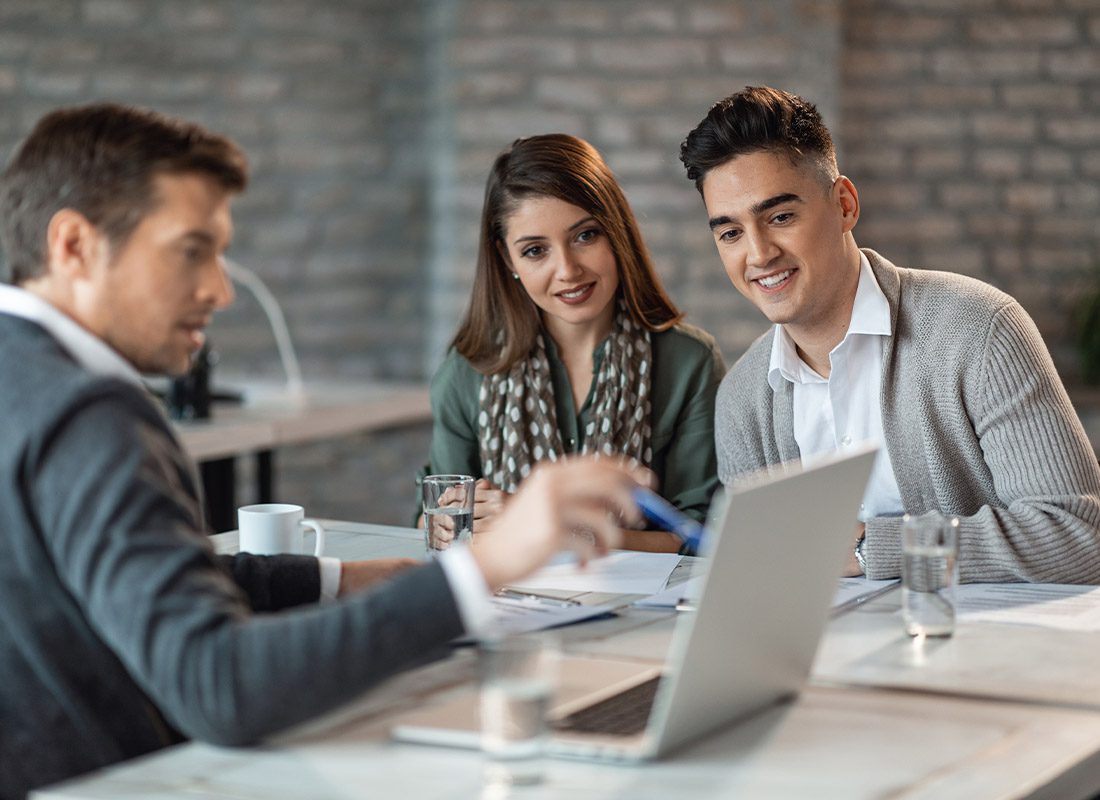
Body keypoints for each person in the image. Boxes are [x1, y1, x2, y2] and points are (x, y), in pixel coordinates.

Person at [0, 103, 651, 800]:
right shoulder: (90, 411)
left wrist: (333, 579)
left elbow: (133, 571)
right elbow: (221, 687)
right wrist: (477, 570)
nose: (220, 290)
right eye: (193, 250)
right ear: (73, 245)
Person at [679, 86, 1100, 583]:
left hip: (986, 653)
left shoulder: (981, 330)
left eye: (780, 217)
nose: (758, 254)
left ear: (845, 205)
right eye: (730, 233)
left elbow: (1078, 536)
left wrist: (867, 550)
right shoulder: (742, 401)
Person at [427, 134, 724, 553]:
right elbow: (435, 510)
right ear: (507, 259)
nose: (567, 270)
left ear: (616, 231)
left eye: (585, 236)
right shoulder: (467, 369)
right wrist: (442, 522)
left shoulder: (688, 363)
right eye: (534, 251)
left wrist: (553, 528)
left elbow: (701, 537)